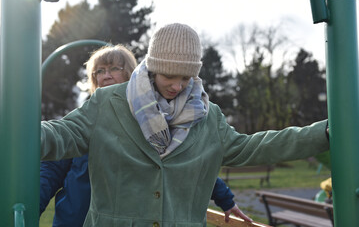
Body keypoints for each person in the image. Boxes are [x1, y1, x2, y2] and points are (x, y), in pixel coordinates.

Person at [40, 23, 329, 226]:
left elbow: (253, 147)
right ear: (153, 68)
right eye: (169, 76)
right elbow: (63, 134)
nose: (177, 86)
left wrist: (324, 133)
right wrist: (16, 132)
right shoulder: (107, 103)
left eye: (186, 78)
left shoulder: (207, 115)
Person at [39, 44, 242, 226]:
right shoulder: (84, 120)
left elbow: (186, 164)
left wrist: (226, 200)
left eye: (113, 69)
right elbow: (50, 171)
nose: (105, 75)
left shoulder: (154, 123)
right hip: (74, 220)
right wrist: (28, 208)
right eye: (99, 71)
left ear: (131, 75)